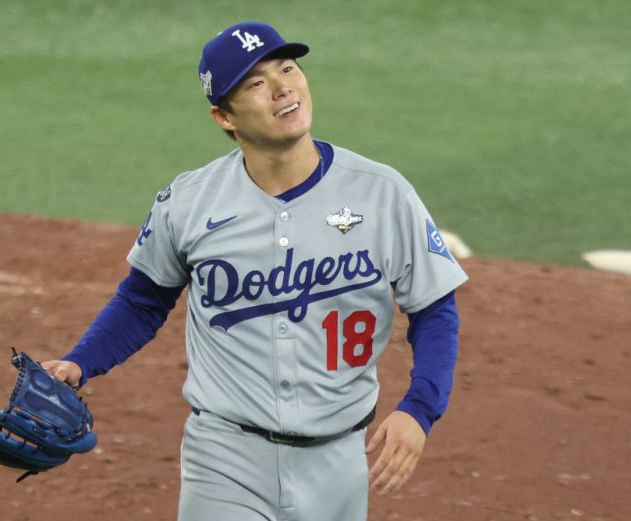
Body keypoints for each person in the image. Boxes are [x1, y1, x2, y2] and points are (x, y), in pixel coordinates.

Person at [42, 21, 468, 521]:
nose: (282, 88)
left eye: (288, 69)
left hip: (341, 460)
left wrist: (419, 409)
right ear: (224, 117)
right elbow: (143, 300)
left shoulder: (383, 193)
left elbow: (434, 308)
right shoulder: (189, 202)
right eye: (256, 83)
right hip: (225, 459)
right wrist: (79, 363)